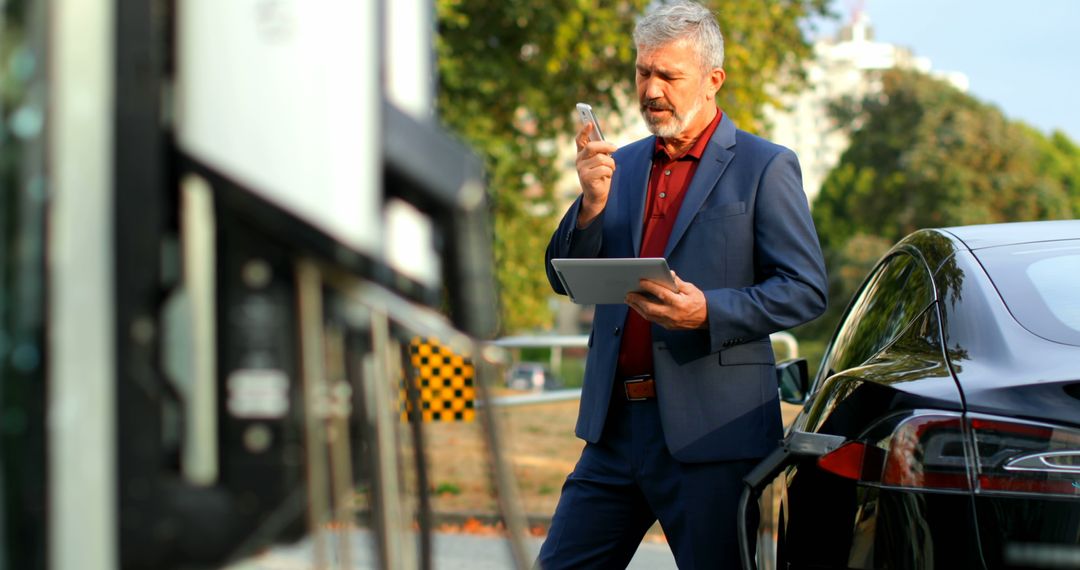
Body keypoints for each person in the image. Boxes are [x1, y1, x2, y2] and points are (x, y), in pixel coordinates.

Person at [538, 1, 828, 567]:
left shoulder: (765, 166)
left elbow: (805, 287)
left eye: (668, 75)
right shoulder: (616, 167)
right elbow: (560, 275)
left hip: (714, 436)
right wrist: (590, 207)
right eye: (643, 72)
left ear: (713, 80)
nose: (650, 89)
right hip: (613, 431)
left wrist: (708, 312)